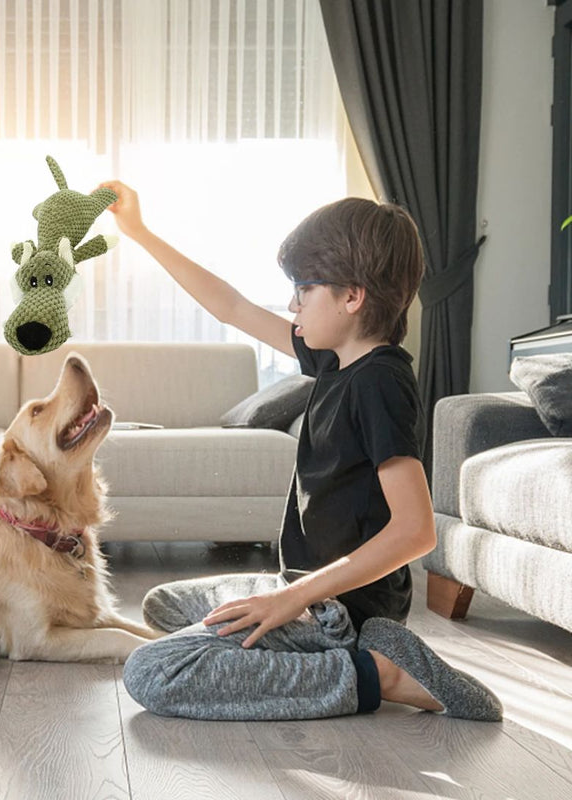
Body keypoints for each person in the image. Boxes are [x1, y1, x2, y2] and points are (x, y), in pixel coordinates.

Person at [100, 181, 502, 723]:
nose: (292, 305)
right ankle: (335, 639)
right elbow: (232, 306)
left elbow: (416, 532)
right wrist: (139, 232)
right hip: (306, 591)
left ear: (352, 296)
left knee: (151, 671)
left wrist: (292, 602)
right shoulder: (335, 359)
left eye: (303, 290)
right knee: (162, 605)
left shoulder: (381, 381)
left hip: (344, 606)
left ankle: (374, 672)